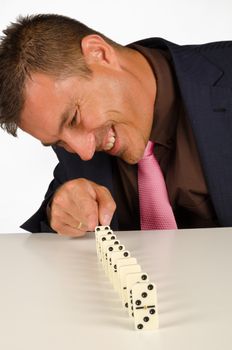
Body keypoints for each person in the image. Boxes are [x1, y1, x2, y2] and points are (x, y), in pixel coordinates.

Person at [0, 14, 232, 237]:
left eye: (74, 119)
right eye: (59, 142)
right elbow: (57, 229)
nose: (84, 152)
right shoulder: (76, 148)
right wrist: (61, 210)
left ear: (99, 53)